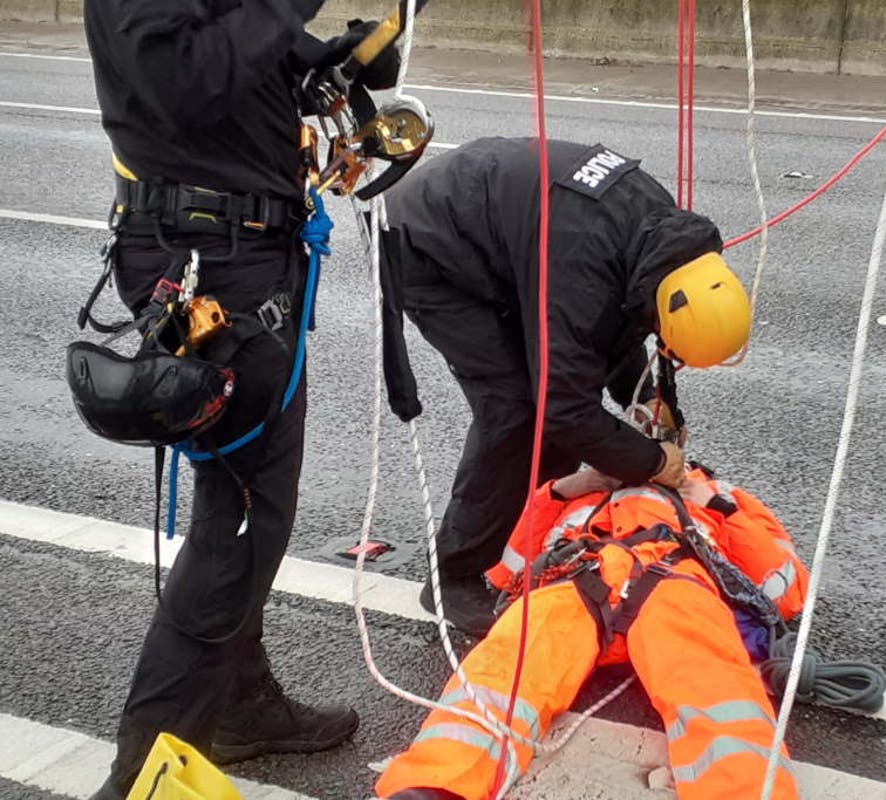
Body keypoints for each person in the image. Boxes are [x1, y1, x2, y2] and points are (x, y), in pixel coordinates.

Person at [81, 2, 408, 796]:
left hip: (242, 252)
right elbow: (182, 81)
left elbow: (247, 62)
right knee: (238, 522)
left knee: (242, 504)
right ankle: (142, 778)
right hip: (211, 264)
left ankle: (239, 704)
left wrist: (339, 60)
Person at [380, 137, 752, 636]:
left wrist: (642, 398)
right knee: (516, 413)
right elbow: (565, 404)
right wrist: (651, 462)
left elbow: (614, 322)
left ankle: (522, 543)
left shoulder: (669, 243)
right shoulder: (582, 265)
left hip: (508, 240)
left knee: (552, 417)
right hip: (428, 244)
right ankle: (454, 574)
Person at [374, 459, 809, 800]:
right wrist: (559, 491)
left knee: (717, 689)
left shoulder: (720, 494)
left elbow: (787, 590)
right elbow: (507, 572)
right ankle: (435, 788)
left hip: (673, 579)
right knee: (502, 669)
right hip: (580, 577)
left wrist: (715, 502)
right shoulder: (580, 493)